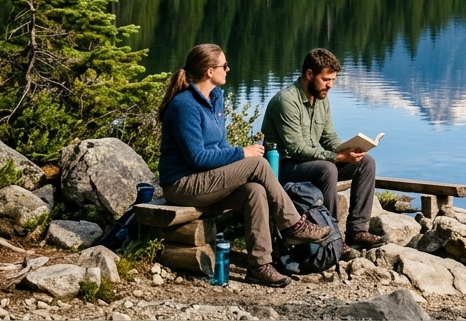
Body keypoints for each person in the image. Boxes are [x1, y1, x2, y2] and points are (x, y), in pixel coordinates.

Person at [158, 44, 331, 287]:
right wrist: (242, 153)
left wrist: (237, 155)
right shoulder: (184, 105)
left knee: (255, 191)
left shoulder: (215, 98)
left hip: (206, 181)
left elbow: (219, 146)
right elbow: (197, 158)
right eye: (224, 66)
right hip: (182, 185)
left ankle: (259, 265)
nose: (228, 69)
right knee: (258, 165)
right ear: (209, 71)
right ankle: (294, 225)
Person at [262, 48, 385, 249]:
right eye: (326, 79)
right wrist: (336, 157)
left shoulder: (321, 99)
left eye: (333, 80)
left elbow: (328, 137)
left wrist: (351, 149)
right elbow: (296, 149)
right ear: (309, 74)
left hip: (309, 163)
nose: (330, 85)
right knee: (327, 168)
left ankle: (358, 231)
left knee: (366, 163)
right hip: (282, 168)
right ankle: (333, 238)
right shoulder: (286, 101)